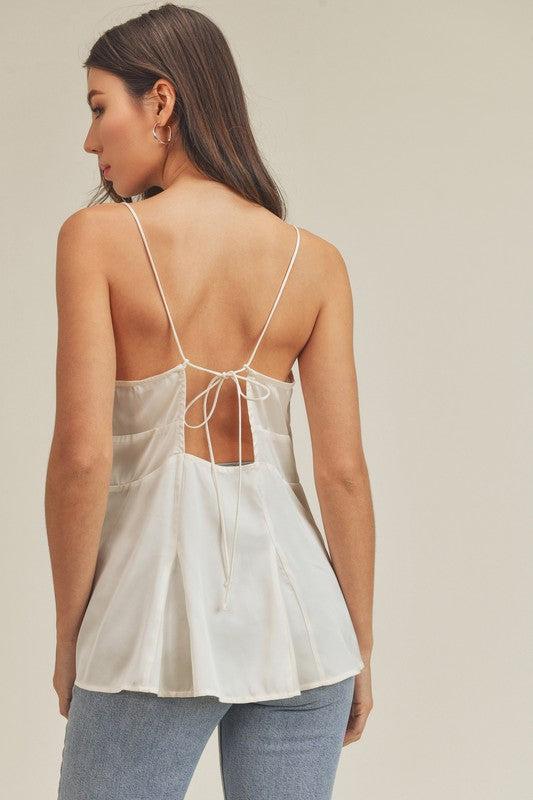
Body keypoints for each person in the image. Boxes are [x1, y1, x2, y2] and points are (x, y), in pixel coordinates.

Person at [45, 5, 375, 799]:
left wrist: (69, 635)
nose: (90, 140)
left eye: (99, 107)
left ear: (160, 101)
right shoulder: (315, 262)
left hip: (151, 628)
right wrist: (359, 645)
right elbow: (342, 473)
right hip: (305, 628)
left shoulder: (96, 239)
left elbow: (82, 461)